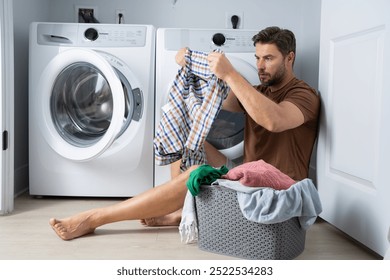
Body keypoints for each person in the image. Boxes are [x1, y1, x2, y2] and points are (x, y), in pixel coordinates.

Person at [49, 26, 320, 240]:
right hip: (247, 176)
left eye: (269, 58)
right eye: (257, 58)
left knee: (194, 174)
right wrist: (191, 64)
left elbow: (272, 120)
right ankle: (179, 211)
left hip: (278, 188)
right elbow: (218, 98)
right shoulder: (258, 91)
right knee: (189, 141)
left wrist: (231, 74)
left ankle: (96, 218)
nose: (260, 66)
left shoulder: (304, 95)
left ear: (290, 57)